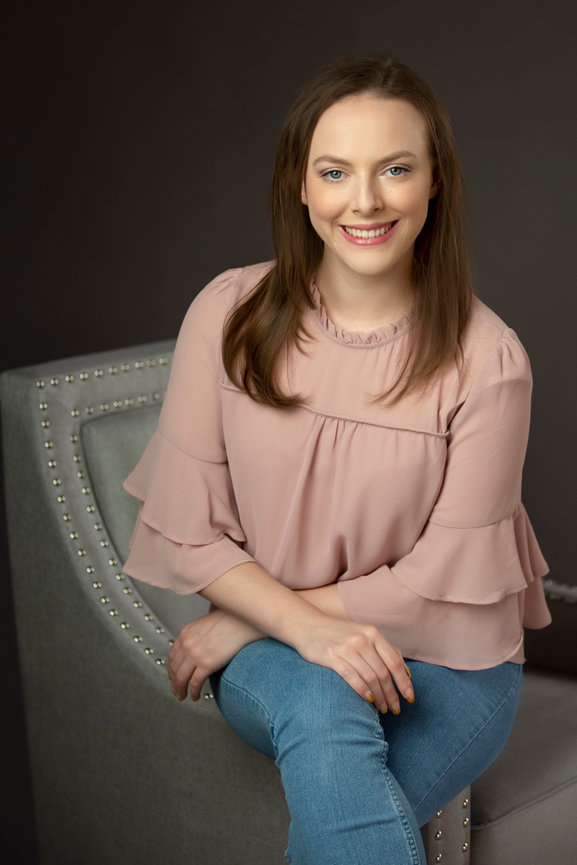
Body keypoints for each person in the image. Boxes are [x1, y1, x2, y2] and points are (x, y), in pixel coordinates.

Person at [123, 54, 551, 865]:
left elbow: (441, 585)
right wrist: (300, 632)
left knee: (339, 817)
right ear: (299, 184)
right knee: (323, 702)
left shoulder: (489, 360)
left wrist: (249, 613)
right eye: (334, 171)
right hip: (280, 660)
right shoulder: (227, 313)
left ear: (435, 183)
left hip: (452, 667)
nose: (364, 201)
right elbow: (191, 530)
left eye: (394, 169)